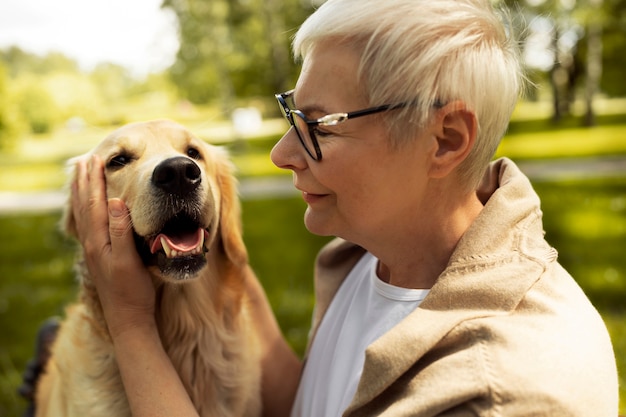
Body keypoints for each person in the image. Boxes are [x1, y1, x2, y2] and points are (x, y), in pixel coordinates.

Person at [69, 0, 619, 416]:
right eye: (292, 116)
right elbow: (309, 402)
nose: (282, 154)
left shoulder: (496, 388)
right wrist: (214, 238)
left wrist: (132, 324)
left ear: (446, 140)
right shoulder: (375, 256)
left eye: (319, 126)